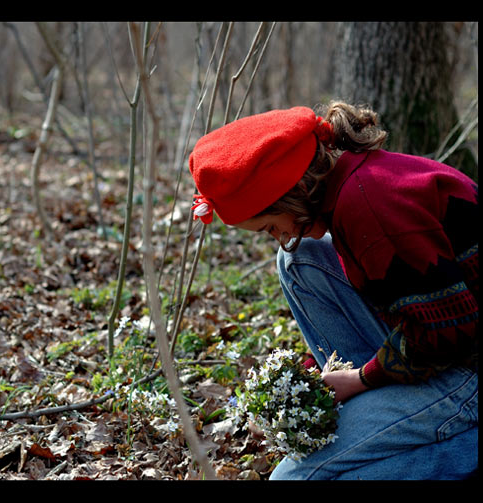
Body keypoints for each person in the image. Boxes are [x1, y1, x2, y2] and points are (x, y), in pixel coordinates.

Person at [188, 102, 478, 480]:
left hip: (464, 369)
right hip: (444, 351)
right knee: (298, 259)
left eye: (271, 227)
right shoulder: (354, 185)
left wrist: (362, 379)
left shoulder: (371, 209)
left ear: (290, 192)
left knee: (295, 477)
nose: (281, 237)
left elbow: (446, 334)